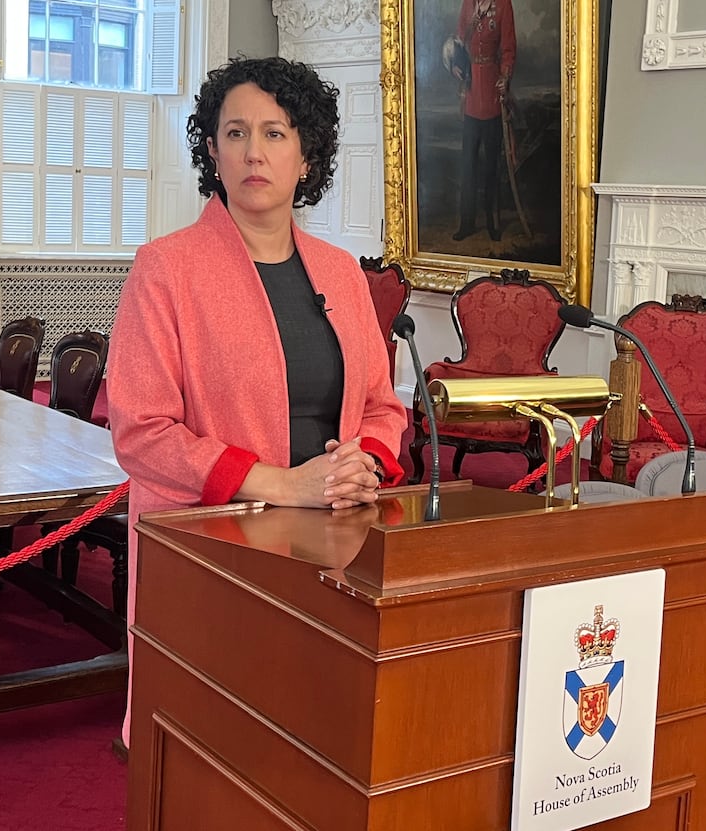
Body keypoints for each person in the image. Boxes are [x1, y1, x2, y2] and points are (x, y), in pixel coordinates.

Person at [106, 56, 408, 748]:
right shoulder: (167, 267)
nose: (254, 152)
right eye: (235, 133)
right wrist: (280, 484)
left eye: (275, 133)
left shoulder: (341, 271)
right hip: (213, 548)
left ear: (307, 155)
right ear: (212, 150)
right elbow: (142, 431)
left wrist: (365, 462)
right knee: (214, 751)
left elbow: (382, 406)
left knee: (313, 743)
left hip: (332, 541)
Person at [450, 0, 516, 242]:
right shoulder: (468, 4)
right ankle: (467, 222)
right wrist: (456, 65)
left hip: (491, 94)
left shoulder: (503, 5)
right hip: (470, 94)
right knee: (468, 166)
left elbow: (508, 48)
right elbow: (459, 40)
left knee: (491, 166)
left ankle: (492, 222)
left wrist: (505, 76)